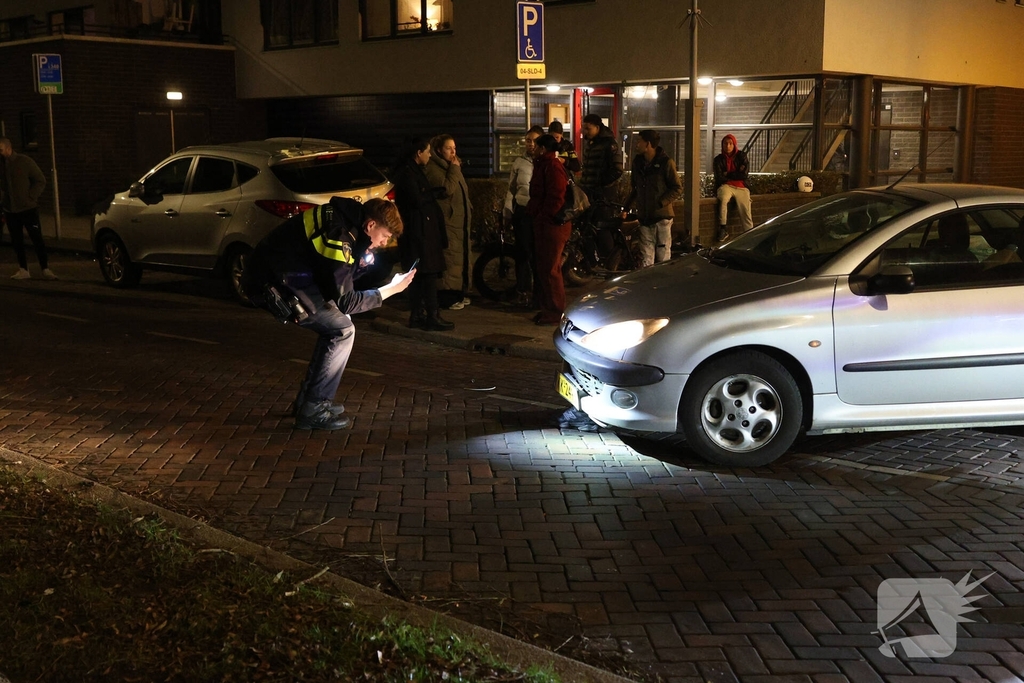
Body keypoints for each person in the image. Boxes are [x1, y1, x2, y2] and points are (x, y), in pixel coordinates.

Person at [242, 197, 414, 431]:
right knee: (342, 330)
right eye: (384, 236)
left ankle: (310, 400)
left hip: (286, 274)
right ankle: (313, 408)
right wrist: (391, 290)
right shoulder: (339, 235)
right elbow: (345, 300)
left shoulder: (346, 221)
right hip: (278, 281)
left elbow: (336, 277)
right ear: (371, 225)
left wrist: (361, 261)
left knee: (340, 324)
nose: (383, 243)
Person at [391, 137, 454, 332]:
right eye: (427, 152)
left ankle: (418, 314)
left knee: (420, 274)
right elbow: (416, 199)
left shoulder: (411, 171)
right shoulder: (408, 173)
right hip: (419, 233)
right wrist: (434, 194)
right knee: (426, 274)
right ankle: (431, 316)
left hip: (420, 231)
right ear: (418, 153)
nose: (429, 155)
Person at [424, 134, 473, 311]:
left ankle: (459, 292)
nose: (453, 152)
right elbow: (447, 188)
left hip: (459, 222)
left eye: (454, 148)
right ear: (438, 150)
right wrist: (454, 169)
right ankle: (446, 296)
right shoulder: (435, 168)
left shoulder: (450, 166)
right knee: (450, 258)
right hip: (448, 222)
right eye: (448, 148)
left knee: (459, 257)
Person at [527, 134, 572, 326]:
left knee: (551, 269)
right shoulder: (544, 165)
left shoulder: (551, 167)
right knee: (546, 268)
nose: (533, 148)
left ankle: (555, 312)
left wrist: (542, 216)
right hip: (546, 223)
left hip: (552, 225)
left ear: (543, 148)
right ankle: (548, 309)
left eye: (536, 145)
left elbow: (556, 197)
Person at [625, 130, 683, 267]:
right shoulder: (638, 163)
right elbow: (635, 188)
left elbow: (677, 188)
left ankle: (664, 282)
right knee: (646, 255)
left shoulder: (665, 163)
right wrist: (626, 207)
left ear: (648, 144)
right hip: (644, 216)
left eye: (640, 141)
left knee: (663, 255)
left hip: (661, 216)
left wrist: (660, 202)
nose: (636, 144)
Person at [0, 137, 54, 280]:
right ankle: (23, 269)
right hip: (11, 210)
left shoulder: (24, 161)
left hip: (28, 209)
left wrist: (31, 197)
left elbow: (40, 180)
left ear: (8, 148)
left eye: (0, 150)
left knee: (37, 238)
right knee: (17, 241)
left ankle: (45, 268)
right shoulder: (2, 165)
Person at [503, 125, 544, 306]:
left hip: (540, 214)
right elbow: (511, 188)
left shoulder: (547, 162)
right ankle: (523, 290)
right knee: (522, 253)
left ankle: (539, 293)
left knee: (538, 254)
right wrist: (507, 210)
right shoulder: (519, 162)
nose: (531, 144)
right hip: (522, 212)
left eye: (535, 140)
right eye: (528, 140)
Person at [713, 133, 753, 242]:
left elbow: (744, 175)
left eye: (730, 143)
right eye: (725, 143)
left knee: (746, 210)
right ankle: (723, 228)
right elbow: (719, 177)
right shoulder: (718, 159)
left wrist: (728, 174)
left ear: (734, 145)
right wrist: (734, 173)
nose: (728, 146)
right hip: (726, 185)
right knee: (723, 199)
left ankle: (750, 234)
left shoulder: (742, 156)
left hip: (741, 186)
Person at [578, 113, 622, 209]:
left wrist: (601, 183)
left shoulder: (609, 144)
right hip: (588, 191)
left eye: (588, 129)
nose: (585, 132)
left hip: (603, 193)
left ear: (597, 128)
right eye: (584, 128)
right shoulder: (589, 143)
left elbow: (617, 169)